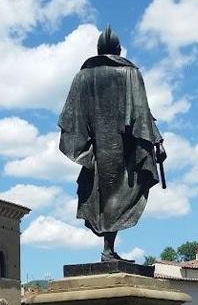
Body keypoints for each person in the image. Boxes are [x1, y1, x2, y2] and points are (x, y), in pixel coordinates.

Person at [58, 25, 166, 261]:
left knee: (103, 192)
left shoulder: (82, 76)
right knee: (120, 192)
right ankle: (108, 249)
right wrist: (157, 140)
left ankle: (108, 249)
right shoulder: (130, 73)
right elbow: (142, 113)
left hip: (96, 147)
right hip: (124, 146)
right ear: (118, 49)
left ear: (98, 49)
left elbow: (71, 118)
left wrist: (87, 149)